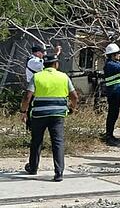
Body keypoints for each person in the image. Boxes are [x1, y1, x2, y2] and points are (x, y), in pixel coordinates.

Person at [20, 53, 78, 182]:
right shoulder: (64, 77)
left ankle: (33, 167)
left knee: (36, 141)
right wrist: (72, 108)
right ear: (56, 64)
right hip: (58, 115)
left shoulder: (37, 77)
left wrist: (23, 111)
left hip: (39, 115)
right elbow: (74, 96)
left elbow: (27, 97)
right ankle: (59, 173)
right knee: (57, 143)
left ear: (44, 65)